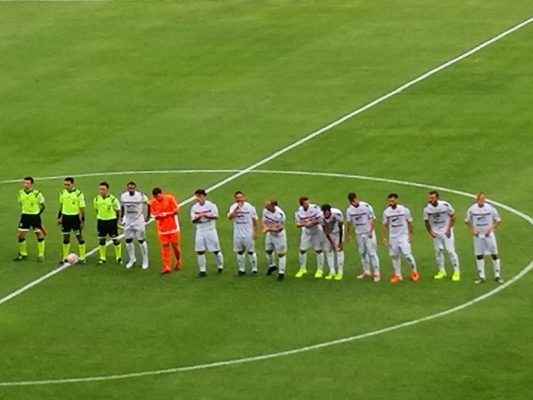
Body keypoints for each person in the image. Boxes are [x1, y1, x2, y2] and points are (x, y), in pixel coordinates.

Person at [464, 192, 503, 284]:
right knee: (479, 255)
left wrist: (491, 228)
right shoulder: (472, 209)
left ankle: (497, 275)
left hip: (489, 235)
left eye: (483, 199)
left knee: (494, 254)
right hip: (478, 236)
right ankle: (482, 276)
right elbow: (466, 221)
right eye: (480, 199)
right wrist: (472, 230)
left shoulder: (490, 208)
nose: (482, 200)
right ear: (476, 200)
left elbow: (498, 220)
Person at [382, 193, 419, 283]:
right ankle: (398, 275)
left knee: (407, 255)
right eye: (390, 201)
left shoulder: (404, 210)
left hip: (403, 236)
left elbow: (410, 223)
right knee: (394, 256)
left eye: (393, 200)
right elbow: (385, 225)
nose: (391, 202)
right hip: (393, 237)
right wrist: (384, 237)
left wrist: (410, 235)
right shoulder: (386, 212)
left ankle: (414, 272)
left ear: (397, 200)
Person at [423, 190, 460, 281]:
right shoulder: (427, 209)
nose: (431, 199)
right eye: (430, 198)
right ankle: (442, 271)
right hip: (436, 233)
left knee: (450, 251)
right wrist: (430, 232)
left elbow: (453, 216)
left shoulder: (445, 205)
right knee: (438, 252)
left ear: (437, 198)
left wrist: (449, 229)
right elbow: (426, 221)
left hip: (446, 231)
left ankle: (456, 271)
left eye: (433, 198)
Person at [345, 192, 380, 282]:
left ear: (357, 198)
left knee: (372, 253)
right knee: (362, 252)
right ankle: (366, 271)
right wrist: (348, 234)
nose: (355, 202)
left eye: (355, 200)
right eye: (352, 201)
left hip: (368, 233)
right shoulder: (349, 210)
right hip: (359, 234)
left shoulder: (366, 206)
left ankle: (376, 273)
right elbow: (349, 223)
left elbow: (372, 219)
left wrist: (371, 231)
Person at [190, 189, 224, 277]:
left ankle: (220, 265)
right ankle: (202, 270)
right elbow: (193, 220)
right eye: (197, 196)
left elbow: (216, 216)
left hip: (210, 229)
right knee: (199, 250)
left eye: (200, 196)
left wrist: (206, 215)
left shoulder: (211, 205)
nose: (198, 198)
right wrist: (198, 217)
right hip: (200, 230)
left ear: (204, 196)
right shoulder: (194, 207)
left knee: (216, 250)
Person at [149, 188, 182, 274]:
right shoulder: (152, 202)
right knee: (165, 247)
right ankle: (167, 266)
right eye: (156, 197)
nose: (158, 198)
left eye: (159, 196)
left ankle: (178, 260)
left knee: (175, 246)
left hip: (173, 227)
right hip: (162, 229)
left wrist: (167, 214)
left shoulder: (170, 198)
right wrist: (157, 215)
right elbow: (152, 214)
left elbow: (176, 210)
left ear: (162, 194)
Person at [13, 176, 46, 262]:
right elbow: (21, 203)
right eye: (24, 183)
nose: (25, 185)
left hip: (35, 216)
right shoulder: (20, 193)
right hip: (25, 216)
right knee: (20, 235)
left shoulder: (37, 194)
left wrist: (38, 214)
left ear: (31, 184)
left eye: (27, 183)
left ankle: (41, 254)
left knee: (39, 234)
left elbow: (43, 205)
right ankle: (23, 253)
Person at [120, 181, 150, 270]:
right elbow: (122, 206)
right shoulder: (124, 196)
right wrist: (122, 217)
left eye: (132, 188)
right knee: (128, 240)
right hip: (128, 221)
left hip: (138, 221)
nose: (131, 189)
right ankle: (132, 259)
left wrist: (148, 216)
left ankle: (145, 260)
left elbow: (148, 204)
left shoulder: (140, 196)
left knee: (141, 240)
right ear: (127, 188)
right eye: (129, 188)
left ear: (135, 188)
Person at [227, 191, 259, 275]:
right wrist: (236, 210)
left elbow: (255, 220)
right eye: (237, 197)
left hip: (248, 233)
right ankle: (241, 269)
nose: (239, 199)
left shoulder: (250, 207)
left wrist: (255, 232)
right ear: (235, 199)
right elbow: (229, 217)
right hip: (237, 233)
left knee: (251, 251)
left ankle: (254, 268)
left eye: (241, 197)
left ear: (244, 197)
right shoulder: (233, 207)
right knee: (239, 251)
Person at [294, 196, 326, 279]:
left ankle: (320, 270)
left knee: (318, 250)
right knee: (302, 250)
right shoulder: (298, 211)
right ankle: (302, 268)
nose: (308, 204)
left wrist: (312, 222)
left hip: (316, 231)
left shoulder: (315, 208)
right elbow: (297, 224)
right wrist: (304, 224)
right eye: (305, 203)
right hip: (306, 232)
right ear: (302, 205)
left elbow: (320, 219)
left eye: (308, 202)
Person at [58, 177, 86, 264]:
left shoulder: (79, 194)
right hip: (65, 218)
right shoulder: (62, 193)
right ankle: (65, 257)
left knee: (79, 237)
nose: (66, 186)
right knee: (66, 237)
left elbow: (82, 207)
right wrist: (59, 217)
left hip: (75, 218)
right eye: (65, 184)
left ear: (73, 184)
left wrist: (82, 219)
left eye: (68, 185)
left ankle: (82, 257)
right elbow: (61, 205)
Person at [93, 182, 122, 265]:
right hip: (101, 221)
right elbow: (96, 210)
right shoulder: (96, 199)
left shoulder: (113, 199)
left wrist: (116, 221)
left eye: (103, 189)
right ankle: (102, 258)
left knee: (115, 240)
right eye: (100, 189)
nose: (101, 191)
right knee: (101, 240)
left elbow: (118, 211)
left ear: (107, 189)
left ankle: (118, 257)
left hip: (111, 221)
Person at [262, 199, 287, 281]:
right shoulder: (265, 211)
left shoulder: (280, 214)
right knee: (268, 250)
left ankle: (281, 272)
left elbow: (279, 228)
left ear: (273, 206)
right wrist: (266, 227)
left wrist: (268, 229)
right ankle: (272, 266)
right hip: (270, 234)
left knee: (281, 254)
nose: (265, 206)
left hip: (279, 236)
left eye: (267, 205)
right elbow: (264, 221)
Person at [321, 204, 345, 281]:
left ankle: (340, 272)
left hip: (338, 233)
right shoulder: (321, 218)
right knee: (329, 251)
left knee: (339, 251)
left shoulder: (337, 216)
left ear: (330, 211)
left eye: (327, 212)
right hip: (329, 234)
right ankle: (332, 271)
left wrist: (340, 242)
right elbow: (325, 231)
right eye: (324, 212)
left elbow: (341, 228)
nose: (326, 214)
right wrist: (331, 242)